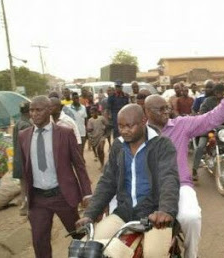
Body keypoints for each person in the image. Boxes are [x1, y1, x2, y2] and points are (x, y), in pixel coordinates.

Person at [144, 66, 224, 258]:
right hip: (147, 188)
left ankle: (191, 254)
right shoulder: (139, 134)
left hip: (180, 185)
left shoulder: (181, 125)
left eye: (167, 108)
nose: (166, 112)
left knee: (191, 217)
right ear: (147, 112)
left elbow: (212, 118)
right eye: (161, 109)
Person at [76, 104, 179, 257]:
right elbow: (107, 181)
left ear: (144, 120)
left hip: (154, 215)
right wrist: (89, 214)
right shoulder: (118, 146)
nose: (124, 131)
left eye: (129, 126)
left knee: (153, 254)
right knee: (86, 248)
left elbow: (168, 178)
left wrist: (165, 210)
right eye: (121, 126)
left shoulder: (162, 144)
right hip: (124, 212)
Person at [18, 96, 92, 258]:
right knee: (39, 240)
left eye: (39, 110)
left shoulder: (65, 134)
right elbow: (24, 170)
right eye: (31, 110)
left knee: (78, 234)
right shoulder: (23, 136)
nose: (34, 114)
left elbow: (79, 165)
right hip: (38, 199)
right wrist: (25, 196)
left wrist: (87, 192)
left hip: (62, 196)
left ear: (49, 110)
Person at [193, 83, 224, 177]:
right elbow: (202, 113)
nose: (219, 94)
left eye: (221, 92)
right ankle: (194, 170)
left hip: (223, 130)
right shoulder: (207, 101)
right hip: (208, 129)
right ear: (214, 92)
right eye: (217, 92)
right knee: (200, 147)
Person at [12, 102, 32, 216]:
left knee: (23, 186)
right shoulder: (26, 126)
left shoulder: (18, 123)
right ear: (28, 111)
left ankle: (24, 207)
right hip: (25, 161)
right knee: (28, 186)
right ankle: (26, 207)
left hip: (19, 160)